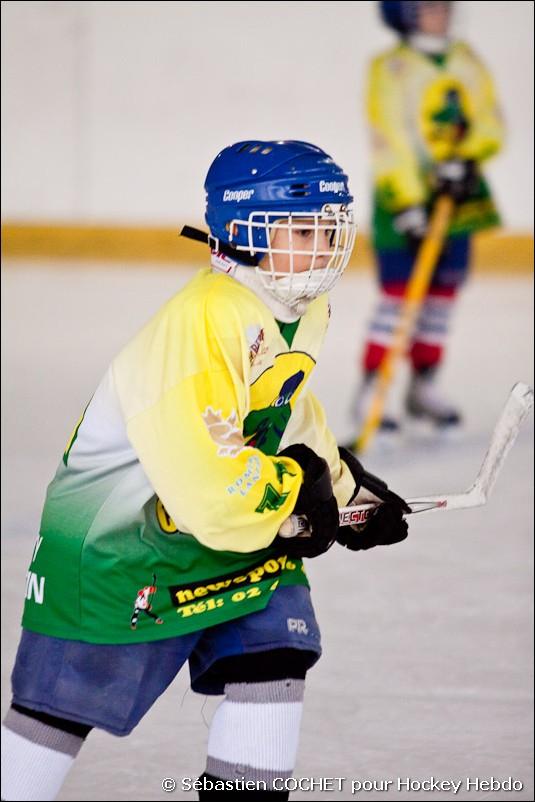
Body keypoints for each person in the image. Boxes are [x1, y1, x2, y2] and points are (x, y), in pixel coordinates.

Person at [1, 140, 410, 801]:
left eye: (328, 225)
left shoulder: (300, 310)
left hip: (233, 529)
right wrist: (295, 501)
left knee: (276, 653)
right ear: (244, 230)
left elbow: (284, 416)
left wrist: (344, 489)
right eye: (301, 228)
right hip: (122, 545)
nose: (324, 243)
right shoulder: (200, 322)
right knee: (61, 707)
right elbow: (208, 495)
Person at [351, 0, 504, 438]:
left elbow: (489, 119)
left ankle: (424, 385)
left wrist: (468, 159)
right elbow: (388, 136)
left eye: (443, 5)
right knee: (399, 296)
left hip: (457, 197)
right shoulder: (390, 67)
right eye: (429, 6)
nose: (442, 12)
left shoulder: (465, 60)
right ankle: (372, 390)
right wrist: (408, 201)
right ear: (404, 14)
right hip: (407, 200)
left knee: (441, 295)